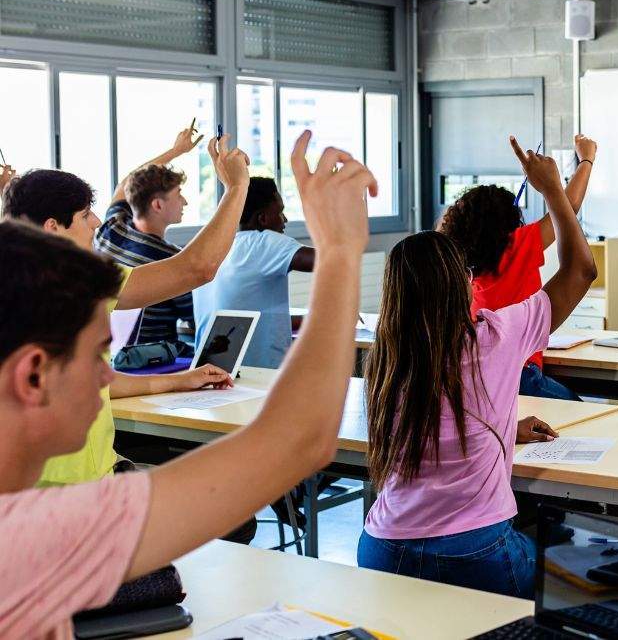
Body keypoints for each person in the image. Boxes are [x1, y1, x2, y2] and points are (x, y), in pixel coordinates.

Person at [0, 130, 377, 638]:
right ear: (32, 375)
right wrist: (339, 251)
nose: (110, 375)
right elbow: (296, 439)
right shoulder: (35, 539)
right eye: (95, 354)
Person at [359, 136, 596, 599]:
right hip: (475, 551)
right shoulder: (494, 336)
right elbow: (581, 270)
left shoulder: (387, 358)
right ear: (459, 284)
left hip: (382, 549)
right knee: (597, 580)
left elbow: (441, 424)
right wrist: (552, 190)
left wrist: (503, 428)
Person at [1, 133, 251, 486]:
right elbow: (198, 267)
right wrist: (237, 187)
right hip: (72, 489)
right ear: (52, 228)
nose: (96, 223)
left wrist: (178, 380)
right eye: (85, 214)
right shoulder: (78, 282)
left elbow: (94, 380)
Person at [439, 134, 597, 400]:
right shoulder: (516, 245)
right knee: (586, 412)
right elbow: (569, 207)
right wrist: (586, 160)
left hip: (480, 380)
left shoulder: (458, 260)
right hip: (520, 375)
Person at [95, 125, 204, 347]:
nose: (185, 202)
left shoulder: (111, 229)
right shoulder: (173, 260)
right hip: (153, 363)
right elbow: (197, 320)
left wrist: (177, 150)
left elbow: (125, 185)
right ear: (157, 205)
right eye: (179, 195)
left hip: (108, 353)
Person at [193, 177, 315, 369]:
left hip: (211, 374)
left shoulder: (212, 248)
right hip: (260, 378)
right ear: (263, 218)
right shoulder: (262, 243)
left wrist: (305, 320)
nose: (285, 220)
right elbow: (329, 259)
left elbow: (244, 315)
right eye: (280, 213)